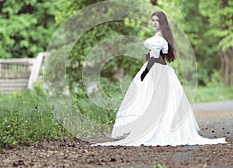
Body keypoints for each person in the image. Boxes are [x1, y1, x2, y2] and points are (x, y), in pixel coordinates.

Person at [92, 11, 226, 146]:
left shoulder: (157, 38)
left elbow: (155, 58)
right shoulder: (165, 37)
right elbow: (159, 56)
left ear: (162, 23)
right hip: (164, 71)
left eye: (157, 20)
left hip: (156, 71)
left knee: (152, 100)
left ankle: (156, 130)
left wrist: (145, 72)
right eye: (153, 20)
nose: (154, 23)